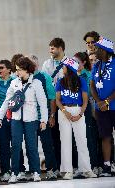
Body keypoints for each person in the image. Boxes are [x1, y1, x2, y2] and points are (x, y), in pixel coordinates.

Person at [0, 57, 48, 182]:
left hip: (31, 120)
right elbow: (7, 100)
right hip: (16, 119)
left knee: (31, 146)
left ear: (27, 70)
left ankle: (35, 172)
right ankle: (14, 173)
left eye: (19, 70)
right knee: (15, 146)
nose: (17, 72)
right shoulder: (14, 83)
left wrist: (44, 120)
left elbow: (42, 103)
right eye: (16, 70)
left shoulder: (36, 83)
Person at [56, 58, 97, 180]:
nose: (62, 68)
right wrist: (64, 111)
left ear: (69, 69)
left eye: (64, 66)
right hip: (64, 111)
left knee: (82, 141)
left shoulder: (82, 81)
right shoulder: (60, 81)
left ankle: (86, 169)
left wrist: (80, 114)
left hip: (78, 110)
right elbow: (58, 100)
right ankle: (67, 171)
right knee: (65, 141)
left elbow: (85, 101)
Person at [42, 37, 68, 175]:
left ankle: (71, 166)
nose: (50, 50)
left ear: (60, 48)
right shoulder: (46, 63)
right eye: (50, 47)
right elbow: (47, 84)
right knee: (54, 136)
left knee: (68, 136)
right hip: (53, 103)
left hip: (67, 103)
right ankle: (56, 166)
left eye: (53, 48)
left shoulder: (70, 62)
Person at [90, 37, 115, 177]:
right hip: (101, 108)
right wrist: (99, 101)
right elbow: (92, 84)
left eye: (98, 48)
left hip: (113, 106)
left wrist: (106, 102)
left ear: (105, 51)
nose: (95, 50)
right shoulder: (97, 65)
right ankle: (106, 166)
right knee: (105, 136)